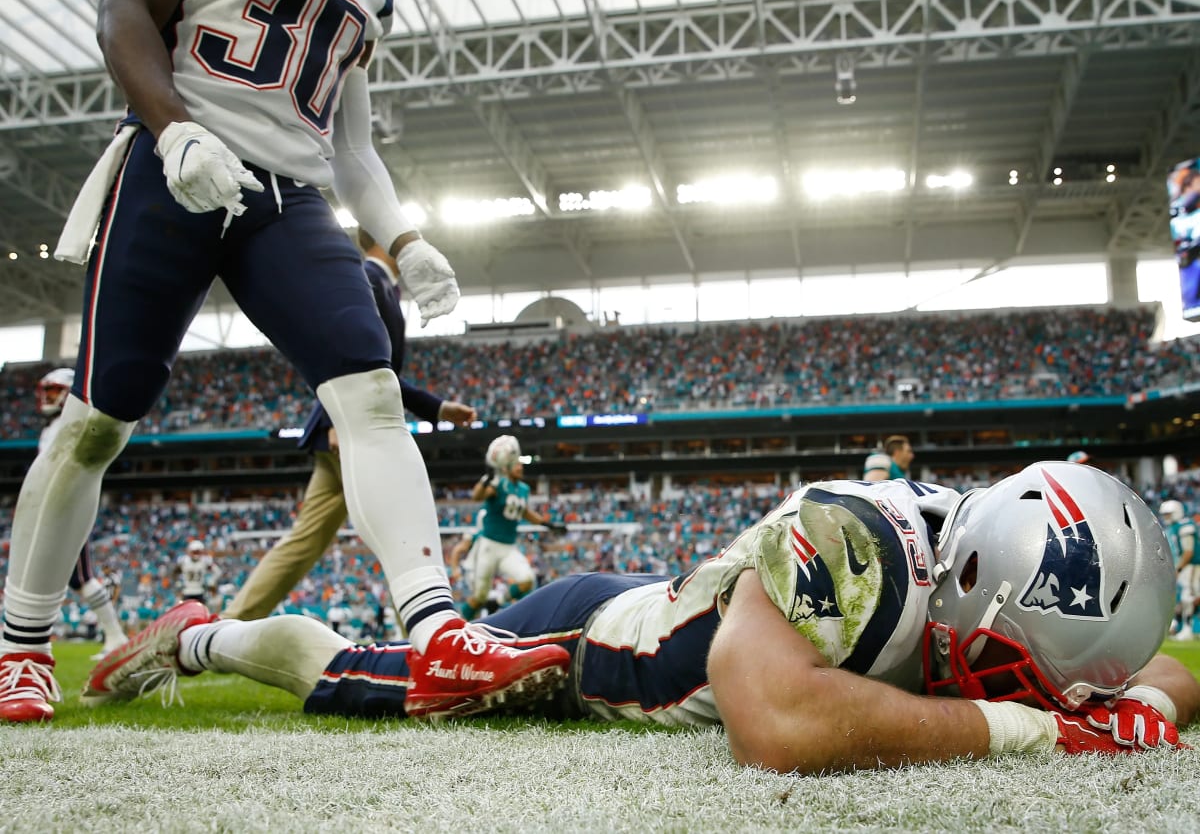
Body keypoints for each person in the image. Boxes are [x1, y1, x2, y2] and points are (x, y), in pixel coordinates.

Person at [0, 0, 569, 724]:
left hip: (288, 197)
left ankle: (439, 635)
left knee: (371, 394)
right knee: (97, 421)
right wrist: (173, 128)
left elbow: (353, 146)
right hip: (177, 164)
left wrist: (404, 241)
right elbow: (122, 10)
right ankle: (20, 646)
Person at [84, 462, 1200, 774]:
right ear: (965, 586)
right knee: (371, 680)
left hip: (681, 616)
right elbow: (778, 725)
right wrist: (1041, 728)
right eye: (1013, 671)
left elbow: (1173, 676)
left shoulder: (1014, 569)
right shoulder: (858, 537)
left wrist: (1140, 695)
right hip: (587, 644)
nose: (1047, 694)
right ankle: (196, 634)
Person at [222, 232, 476, 621]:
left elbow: (378, 373)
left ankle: (228, 627)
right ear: (383, 239)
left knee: (305, 542)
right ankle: (434, 636)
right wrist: (336, 420)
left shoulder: (381, 286)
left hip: (350, 428)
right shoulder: (367, 280)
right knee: (403, 527)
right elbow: (336, 352)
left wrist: (439, 409)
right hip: (353, 429)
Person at [33, 368, 129, 661]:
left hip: (65, 507)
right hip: (54, 508)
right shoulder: (53, 427)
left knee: (83, 578)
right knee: (75, 580)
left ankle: (115, 637)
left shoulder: (69, 424)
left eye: (53, 391)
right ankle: (114, 636)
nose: (47, 398)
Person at [456, 435, 565, 620]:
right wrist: (486, 479)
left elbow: (526, 513)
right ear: (506, 466)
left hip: (508, 547)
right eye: (516, 464)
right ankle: (458, 626)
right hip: (488, 545)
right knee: (479, 596)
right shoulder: (498, 483)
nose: (520, 466)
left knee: (526, 580)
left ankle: (497, 602)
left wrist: (548, 524)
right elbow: (477, 496)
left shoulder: (523, 489)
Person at [1161, 500, 1198, 640]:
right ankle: (1177, 627)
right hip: (1183, 567)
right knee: (1181, 598)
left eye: (1169, 514)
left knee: (1188, 597)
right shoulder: (1174, 527)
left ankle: (1187, 629)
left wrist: (1179, 568)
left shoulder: (1185, 526)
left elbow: (1189, 551)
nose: (1166, 517)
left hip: (1191, 566)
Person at [175, 541, 218, 608]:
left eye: (198, 552)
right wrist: (178, 582)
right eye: (194, 552)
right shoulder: (184, 561)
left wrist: (211, 581)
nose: (196, 554)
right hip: (189, 591)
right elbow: (175, 573)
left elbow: (217, 571)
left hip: (199, 591)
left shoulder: (205, 561)